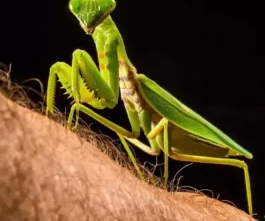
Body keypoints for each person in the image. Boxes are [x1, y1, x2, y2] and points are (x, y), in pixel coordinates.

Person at [0, 94, 255, 221]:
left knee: (239, 164)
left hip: (181, 137)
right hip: (159, 139)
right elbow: (130, 131)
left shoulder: (134, 81)